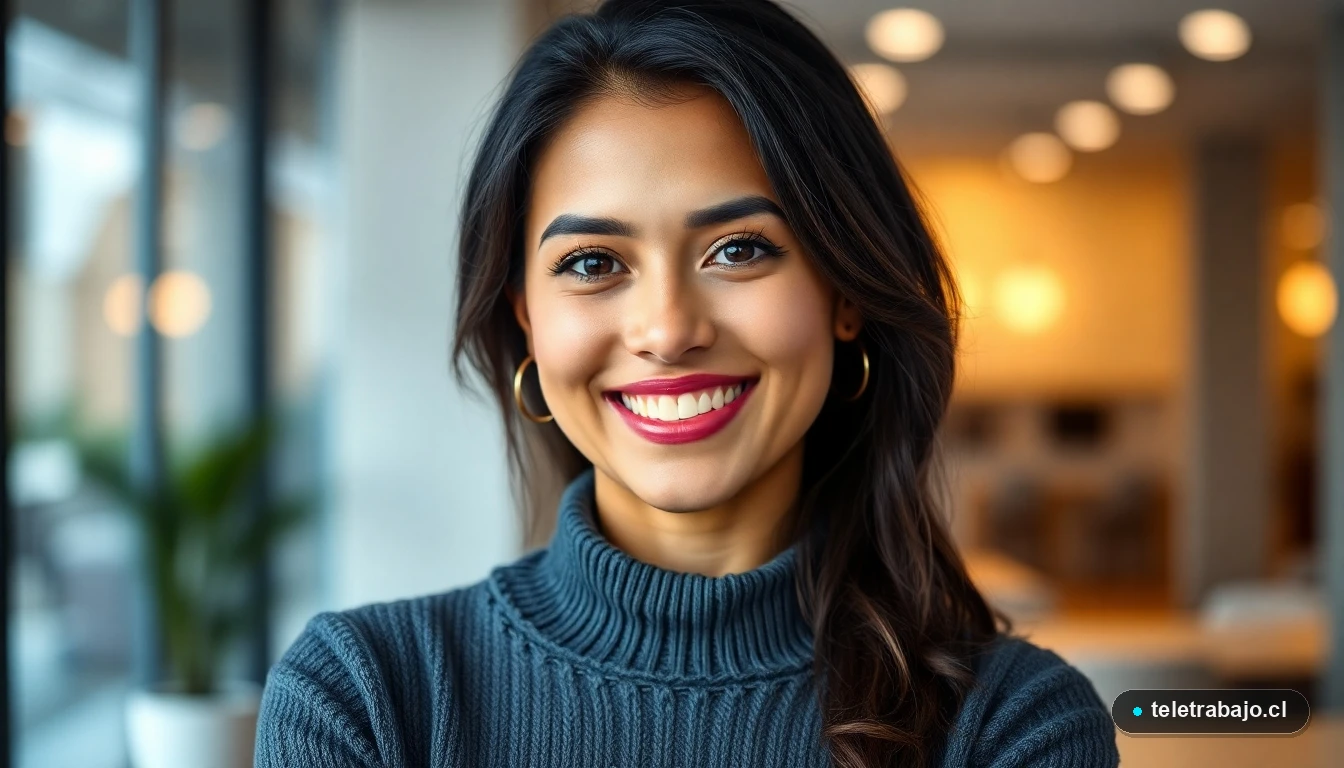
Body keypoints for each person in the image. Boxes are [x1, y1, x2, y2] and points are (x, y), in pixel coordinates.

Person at [254, 1, 1120, 765]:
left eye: (739, 249)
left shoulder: (1013, 727)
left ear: (844, 291)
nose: (668, 330)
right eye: (593, 262)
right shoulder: (365, 700)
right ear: (526, 317)